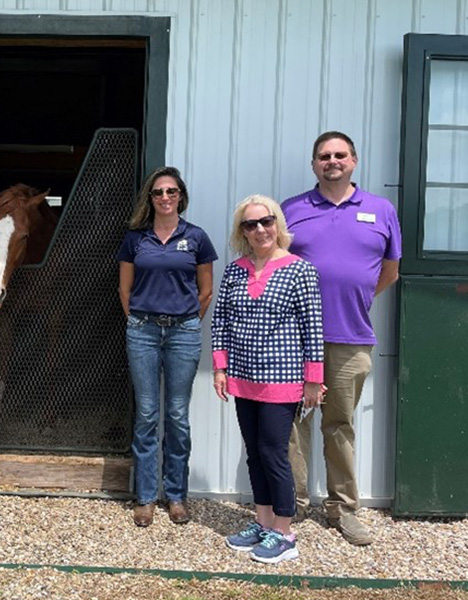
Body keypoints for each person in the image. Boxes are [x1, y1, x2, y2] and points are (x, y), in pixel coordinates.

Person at [283, 131, 401, 546]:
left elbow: (390, 271)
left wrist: (357, 297)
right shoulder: (292, 210)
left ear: (354, 160)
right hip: (294, 340)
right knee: (293, 426)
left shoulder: (380, 210)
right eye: (323, 156)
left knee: (339, 425)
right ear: (314, 164)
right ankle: (291, 506)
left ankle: (343, 510)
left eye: (339, 155)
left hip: (352, 337)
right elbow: (276, 265)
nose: (332, 161)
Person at [212, 195, 324, 565]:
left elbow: (312, 328)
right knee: (255, 453)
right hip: (242, 377)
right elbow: (221, 321)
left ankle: (284, 531)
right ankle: (261, 522)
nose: (259, 229)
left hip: (282, 379)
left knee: (276, 453)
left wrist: (313, 379)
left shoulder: (299, 270)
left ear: (277, 224)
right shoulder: (234, 271)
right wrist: (220, 367)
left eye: (265, 221)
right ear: (241, 231)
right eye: (250, 224)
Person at [117, 166, 217, 527]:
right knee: (146, 414)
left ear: (180, 197)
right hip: (142, 330)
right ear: (150, 198)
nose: (164, 198)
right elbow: (124, 290)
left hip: (183, 333)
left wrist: (187, 320)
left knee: (176, 415)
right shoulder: (135, 239)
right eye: (158, 192)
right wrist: (138, 319)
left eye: (171, 191)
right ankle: (145, 497)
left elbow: (205, 291)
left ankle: (175, 495)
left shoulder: (197, 237)